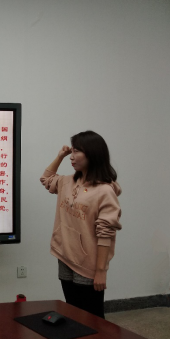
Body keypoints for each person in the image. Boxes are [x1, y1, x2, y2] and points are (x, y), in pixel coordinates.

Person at [40, 131, 122, 319]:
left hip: (88, 264)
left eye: (77, 151)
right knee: (72, 313)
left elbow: (105, 233)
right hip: (65, 255)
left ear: (92, 154)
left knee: (92, 318)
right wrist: (60, 156)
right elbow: (46, 179)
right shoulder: (67, 181)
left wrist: (100, 271)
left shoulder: (104, 191)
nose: (72, 156)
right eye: (72, 151)